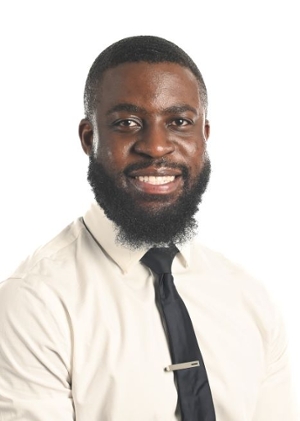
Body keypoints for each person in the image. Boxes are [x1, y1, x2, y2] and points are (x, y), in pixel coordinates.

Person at [0, 35, 297, 421]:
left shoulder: (250, 299)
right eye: (127, 123)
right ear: (90, 139)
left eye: (179, 122)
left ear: (203, 136)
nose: (156, 147)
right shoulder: (35, 304)